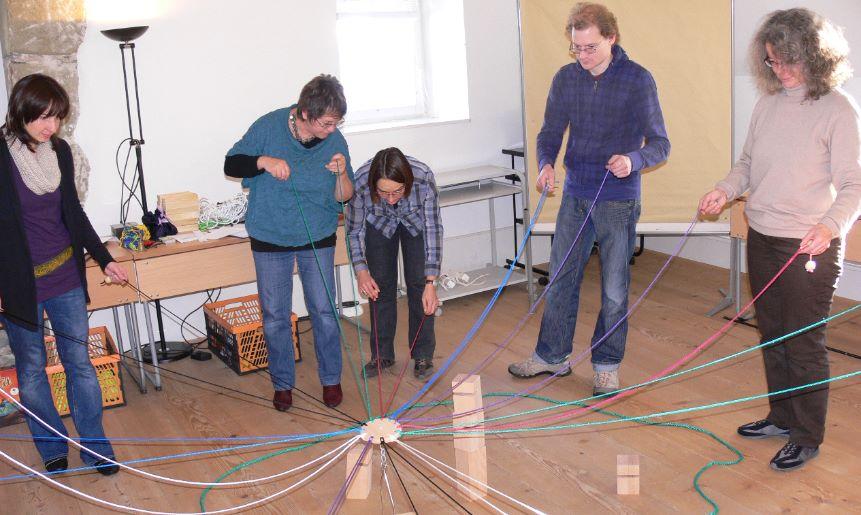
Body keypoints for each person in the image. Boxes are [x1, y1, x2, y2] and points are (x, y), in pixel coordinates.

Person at [699, 8, 861, 472]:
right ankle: (783, 416)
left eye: (790, 61)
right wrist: (724, 189)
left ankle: (808, 436)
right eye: (773, 61)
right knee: (772, 334)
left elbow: (854, 185)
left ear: (816, 56)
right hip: (762, 235)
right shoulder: (768, 105)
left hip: (809, 244)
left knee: (803, 341)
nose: (782, 71)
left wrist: (829, 227)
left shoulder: (839, 110)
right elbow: (747, 163)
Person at [508, 2, 670, 395]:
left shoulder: (637, 80)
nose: (582, 56)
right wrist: (546, 164)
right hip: (576, 195)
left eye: (590, 48)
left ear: (612, 39)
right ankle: (552, 356)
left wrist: (632, 160)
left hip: (618, 200)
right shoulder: (566, 79)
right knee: (561, 278)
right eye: (576, 48)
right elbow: (549, 132)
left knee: (615, 289)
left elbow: (661, 144)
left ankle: (606, 364)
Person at [0, 74, 128, 475]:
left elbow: (72, 212)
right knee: (32, 369)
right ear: (20, 111)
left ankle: (95, 447)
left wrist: (103, 257)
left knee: (80, 364)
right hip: (19, 285)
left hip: (65, 277)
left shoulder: (61, 152)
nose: (49, 126)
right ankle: (52, 445)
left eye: (56, 118)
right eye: (41, 117)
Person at [225, 74, 354, 412]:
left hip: (318, 234)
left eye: (336, 123)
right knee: (275, 316)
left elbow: (344, 198)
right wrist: (263, 162)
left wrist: (341, 174)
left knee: (325, 312)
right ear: (305, 114)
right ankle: (282, 384)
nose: (331, 130)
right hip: (271, 235)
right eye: (326, 123)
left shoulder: (335, 140)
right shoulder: (268, 127)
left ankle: (331, 379)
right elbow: (231, 163)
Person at [346, 148, 442, 380]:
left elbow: (432, 229)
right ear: (373, 186)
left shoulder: (423, 177)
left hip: (416, 224)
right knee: (379, 287)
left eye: (398, 191)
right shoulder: (360, 183)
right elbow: (354, 230)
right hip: (378, 225)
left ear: (407, 183)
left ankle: (422, 354)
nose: (391, 199)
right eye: (383, 192)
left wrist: (431, 281)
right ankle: (382, 355)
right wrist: (361, 270)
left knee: (420, 286)